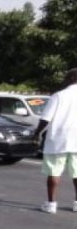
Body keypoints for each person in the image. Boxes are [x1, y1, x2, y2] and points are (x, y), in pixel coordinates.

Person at [34, 68, 77, 214]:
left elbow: (46, 118)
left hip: (58, 139)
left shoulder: (59, 96)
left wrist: (36, 133)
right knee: (76, 173)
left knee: (54, 171)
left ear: (71, 79)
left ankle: (51, 204)